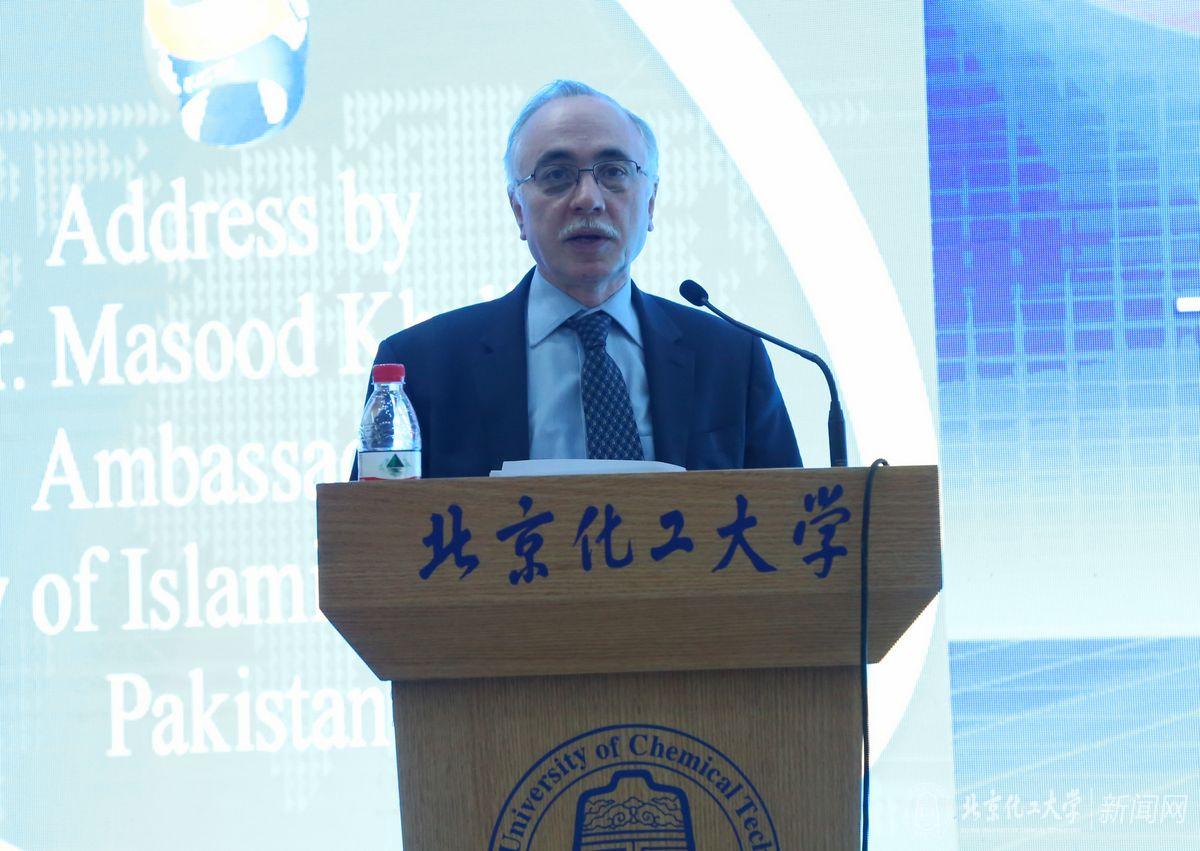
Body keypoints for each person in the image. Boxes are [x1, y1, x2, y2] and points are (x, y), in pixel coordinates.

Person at [366, 80, 801, 478]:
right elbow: (377, 528)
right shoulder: (422, 365)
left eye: (613, 172)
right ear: (518, 211)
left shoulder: (730, 359)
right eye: (556, 176)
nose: (588, 199)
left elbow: (788, 523)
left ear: (651, 202)